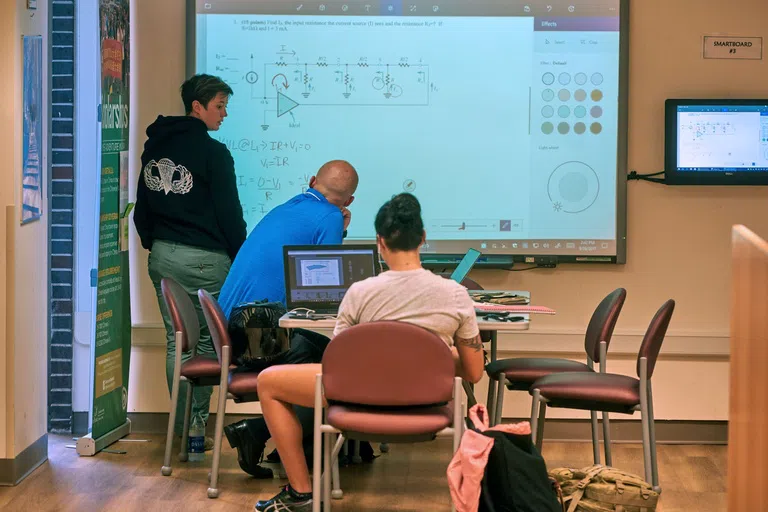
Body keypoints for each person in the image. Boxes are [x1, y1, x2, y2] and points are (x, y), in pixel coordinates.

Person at [252, 193, 485, 511]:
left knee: (268, 381)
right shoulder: (456, 294)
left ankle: (301, 493)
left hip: (360, 396)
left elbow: (338, 362)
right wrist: (443, 359)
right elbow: (473, 373)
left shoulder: (359, 291)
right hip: (426, 397)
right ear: (423, 239)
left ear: (380, 242)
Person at [218, 160, 358, 477]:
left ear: (311, 181)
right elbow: (326, 284)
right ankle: (266, 436)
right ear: (348, 201)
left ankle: (266, 435)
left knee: (325, 358)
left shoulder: (286, 207)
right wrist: (340, 225)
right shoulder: (331, 216)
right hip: (256, 338)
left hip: (236, 330)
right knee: (338, 368)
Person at [133, 74, 246, 447]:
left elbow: (142, 210)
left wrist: (155, 244)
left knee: (175, 340)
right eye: (219, 106)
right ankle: (195, 431)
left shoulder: (154, 149)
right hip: (206, 259)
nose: (224, 114)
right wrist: (239, 254)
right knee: (208, 347)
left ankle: (180, 432)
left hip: (163, 255)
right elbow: (230, 215)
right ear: (197, 107)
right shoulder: (214, 153)